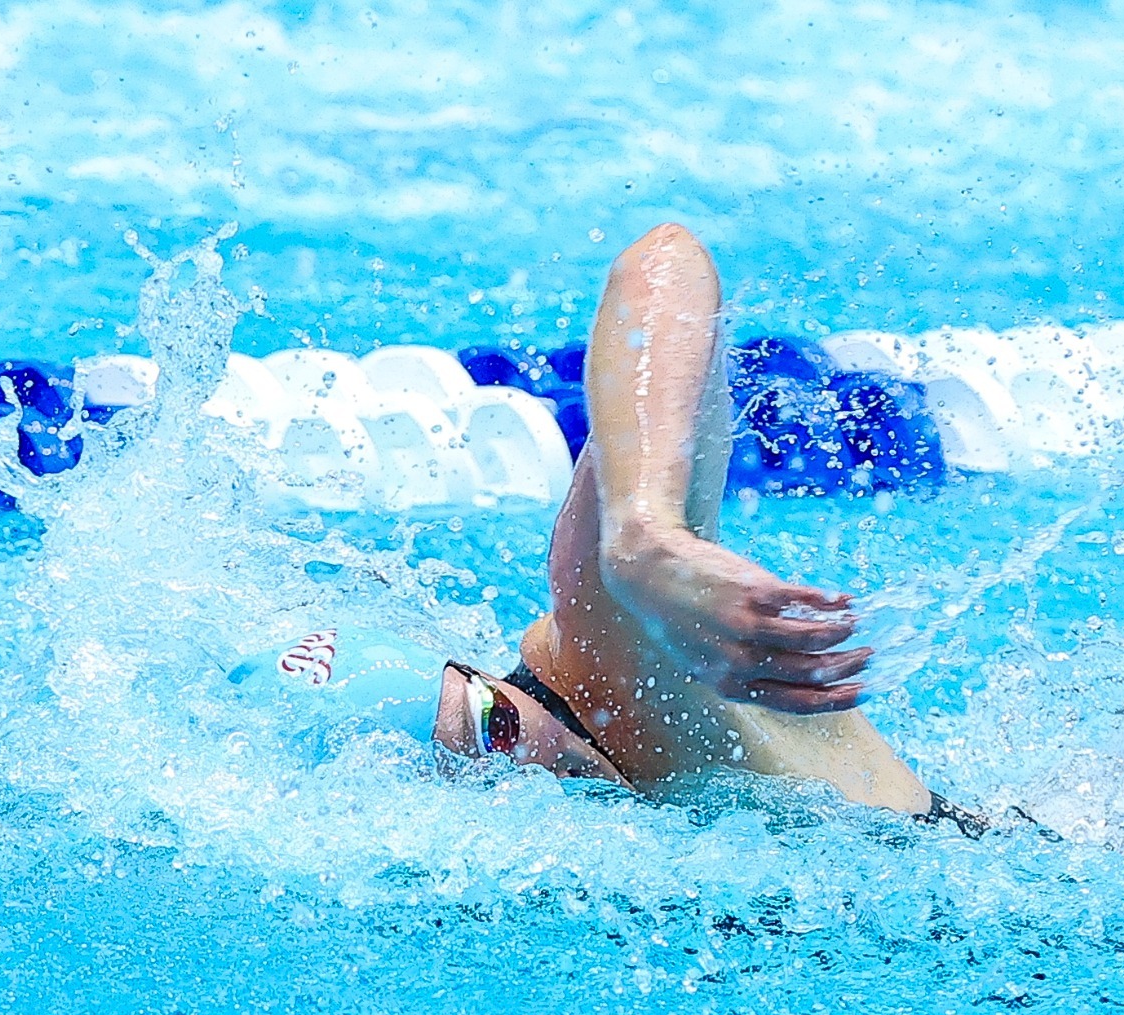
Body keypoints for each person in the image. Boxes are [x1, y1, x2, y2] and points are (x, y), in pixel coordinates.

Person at [233, 223, 983, 833]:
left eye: (494, 726)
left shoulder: (611, 663)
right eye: (463, 784)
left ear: (480, 677)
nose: (520, 772)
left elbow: (666, 262)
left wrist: (644, 538)